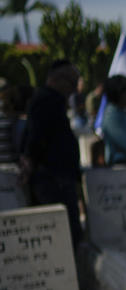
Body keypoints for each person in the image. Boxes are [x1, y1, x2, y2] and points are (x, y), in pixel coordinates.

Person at [23, 60, 82, 245]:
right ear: (58, 79)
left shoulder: (48, 100)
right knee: (63, 235)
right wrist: (30, 160)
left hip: (56, 176)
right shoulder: (48, 100)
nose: (74, 89)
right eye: (72, 83)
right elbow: (37, 137)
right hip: (54, 178)